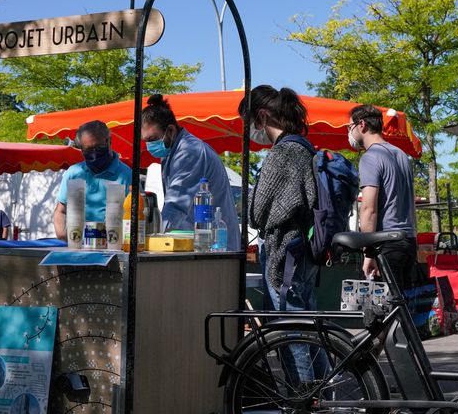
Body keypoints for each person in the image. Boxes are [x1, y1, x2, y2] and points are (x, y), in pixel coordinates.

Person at [241, 85, 328, 384]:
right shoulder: (304, 148)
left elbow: (257, 211)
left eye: (251, 123)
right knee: (309, 328)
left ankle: (306, 405)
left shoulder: (282, 153)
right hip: (305, 251)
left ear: (262, 116)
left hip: (285, 252)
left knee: (291, 333)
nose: (254, 132)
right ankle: (323, 400)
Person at [141, 94, 240, 250]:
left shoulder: (188, 152)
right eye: (146, 141)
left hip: (216, 247)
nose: (149, 145)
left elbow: (175, 205)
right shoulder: (172, 152)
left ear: (171, 130)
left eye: (153, 139)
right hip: (204, 244)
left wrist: (155, 241)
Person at [348, 104, 418, 295]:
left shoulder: (371, 157)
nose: (350, 132)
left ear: (361, 125)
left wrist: (368, 254)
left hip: (387, 243)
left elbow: (368, 209)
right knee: (404, 308)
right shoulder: (402, 155)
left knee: (385, 311)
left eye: (350, 127)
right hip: (408, 240)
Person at [54, 119, 133, 240]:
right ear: (81, 149)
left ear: (109, 142)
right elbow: (60, 211)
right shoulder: (73, 174)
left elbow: (135, 217)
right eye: (88, 150)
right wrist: (63, 235)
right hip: (77, 247)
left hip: (113, 248)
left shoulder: (127, 176)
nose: (94, 154)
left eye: (98, 147)